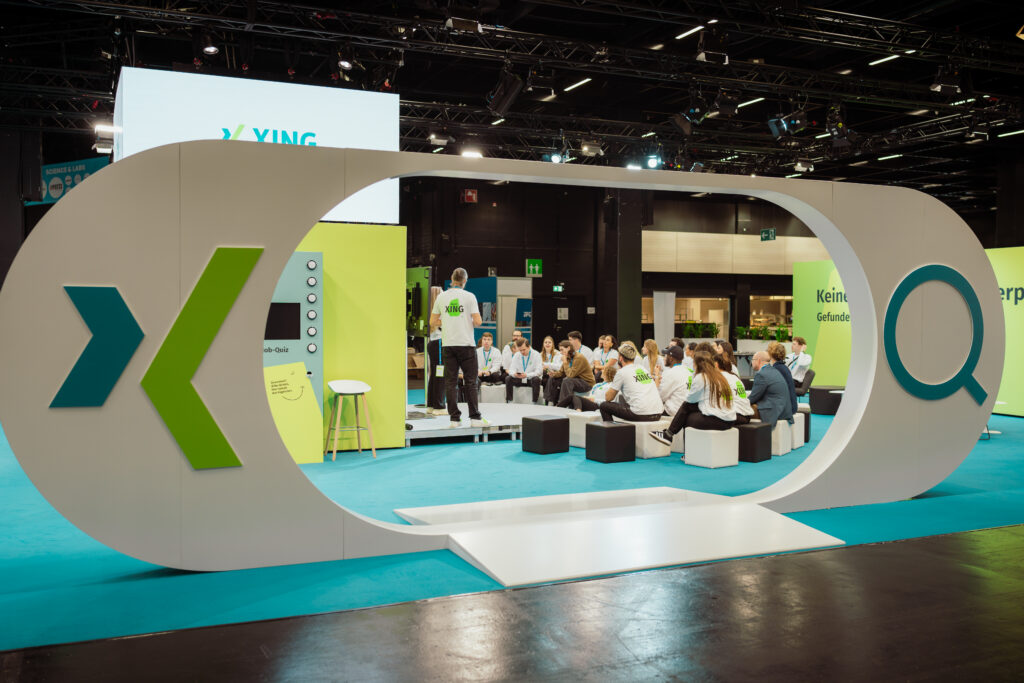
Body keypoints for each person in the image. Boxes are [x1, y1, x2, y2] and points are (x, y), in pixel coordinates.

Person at [428, 268, 487, 427]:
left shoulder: (441, 297)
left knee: (450, 383)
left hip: (448, 345)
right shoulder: (469, 297)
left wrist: (447, 321)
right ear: (465, 281)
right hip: (466, 345)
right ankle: (475, 418)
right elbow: (478, 321)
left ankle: (454, 419)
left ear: (451, 279)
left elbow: (433, 321)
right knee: (470, 382)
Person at [650, 351, 735, 449]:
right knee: (688, 408)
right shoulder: (720, 376)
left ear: (697, 364)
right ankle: (669, 435)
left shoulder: (701, 377)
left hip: (717, 420)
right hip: (730, 419)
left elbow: (689, 400)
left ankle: (681, 445)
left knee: (686, 414)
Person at [600, 343, 665, 422]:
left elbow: (608, 398)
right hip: (658, 413)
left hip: (641, 414)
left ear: (620, 358)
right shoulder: (642, 369)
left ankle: (611, 434)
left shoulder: (621, 372)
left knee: (604, 406)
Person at [746, 350, 793, 429]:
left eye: (753, 360)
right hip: (783, 410)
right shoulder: (774, 371)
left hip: (773, 411)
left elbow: (753, 398)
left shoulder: (761, 375)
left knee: (740, 411)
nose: (751, 362)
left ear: (758, 361)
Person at [548, 339, 596, 407]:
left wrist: (564, 362)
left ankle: (562, 405)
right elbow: (561, 372)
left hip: (587, 383)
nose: (561, 352)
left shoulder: (578, 357)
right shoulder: (568, 357)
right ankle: (551, 402)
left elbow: (570, 375)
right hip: (576, 380)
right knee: (553, 379)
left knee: (567, 380)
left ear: (568, 348)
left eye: (562, 350)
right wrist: (554, 374)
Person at [425, 286, 446, 415]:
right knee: (440, 375)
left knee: (434, 375)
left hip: (433, 343)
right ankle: (439, 406)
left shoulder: (430, 310)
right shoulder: (438, 312)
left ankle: (432, 405)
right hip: (439, 343)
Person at [715, 353, 752, 425]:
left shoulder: (720, 378)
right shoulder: (734, 377)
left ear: (716, 364)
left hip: (737, 415)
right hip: (746, 415)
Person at [658, 345, 693, 417]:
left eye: (666, 356)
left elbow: (660, 396)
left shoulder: (670, 373)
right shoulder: (688, 370)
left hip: (674, 411)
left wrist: (657, 379)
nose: (664, 358)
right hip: (688, 410)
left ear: (671, 358)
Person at [505, 338, 543, 403]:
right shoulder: (517, 355)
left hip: (530, 379)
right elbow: (511, 370)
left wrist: (527, 375)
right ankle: (509, 401)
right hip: (519, 379)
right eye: (520, 350)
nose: (522, 352)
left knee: (536, 379)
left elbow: (539, 372)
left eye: (524, 350)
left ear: (529, 347)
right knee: (508, 378)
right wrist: (515, 374)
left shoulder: (536, 355)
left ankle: (535, 402)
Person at [768, 341, 798, 415]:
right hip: (791, 406)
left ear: (770, 353)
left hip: (786, 408)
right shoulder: (783, 368)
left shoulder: (776, 369)